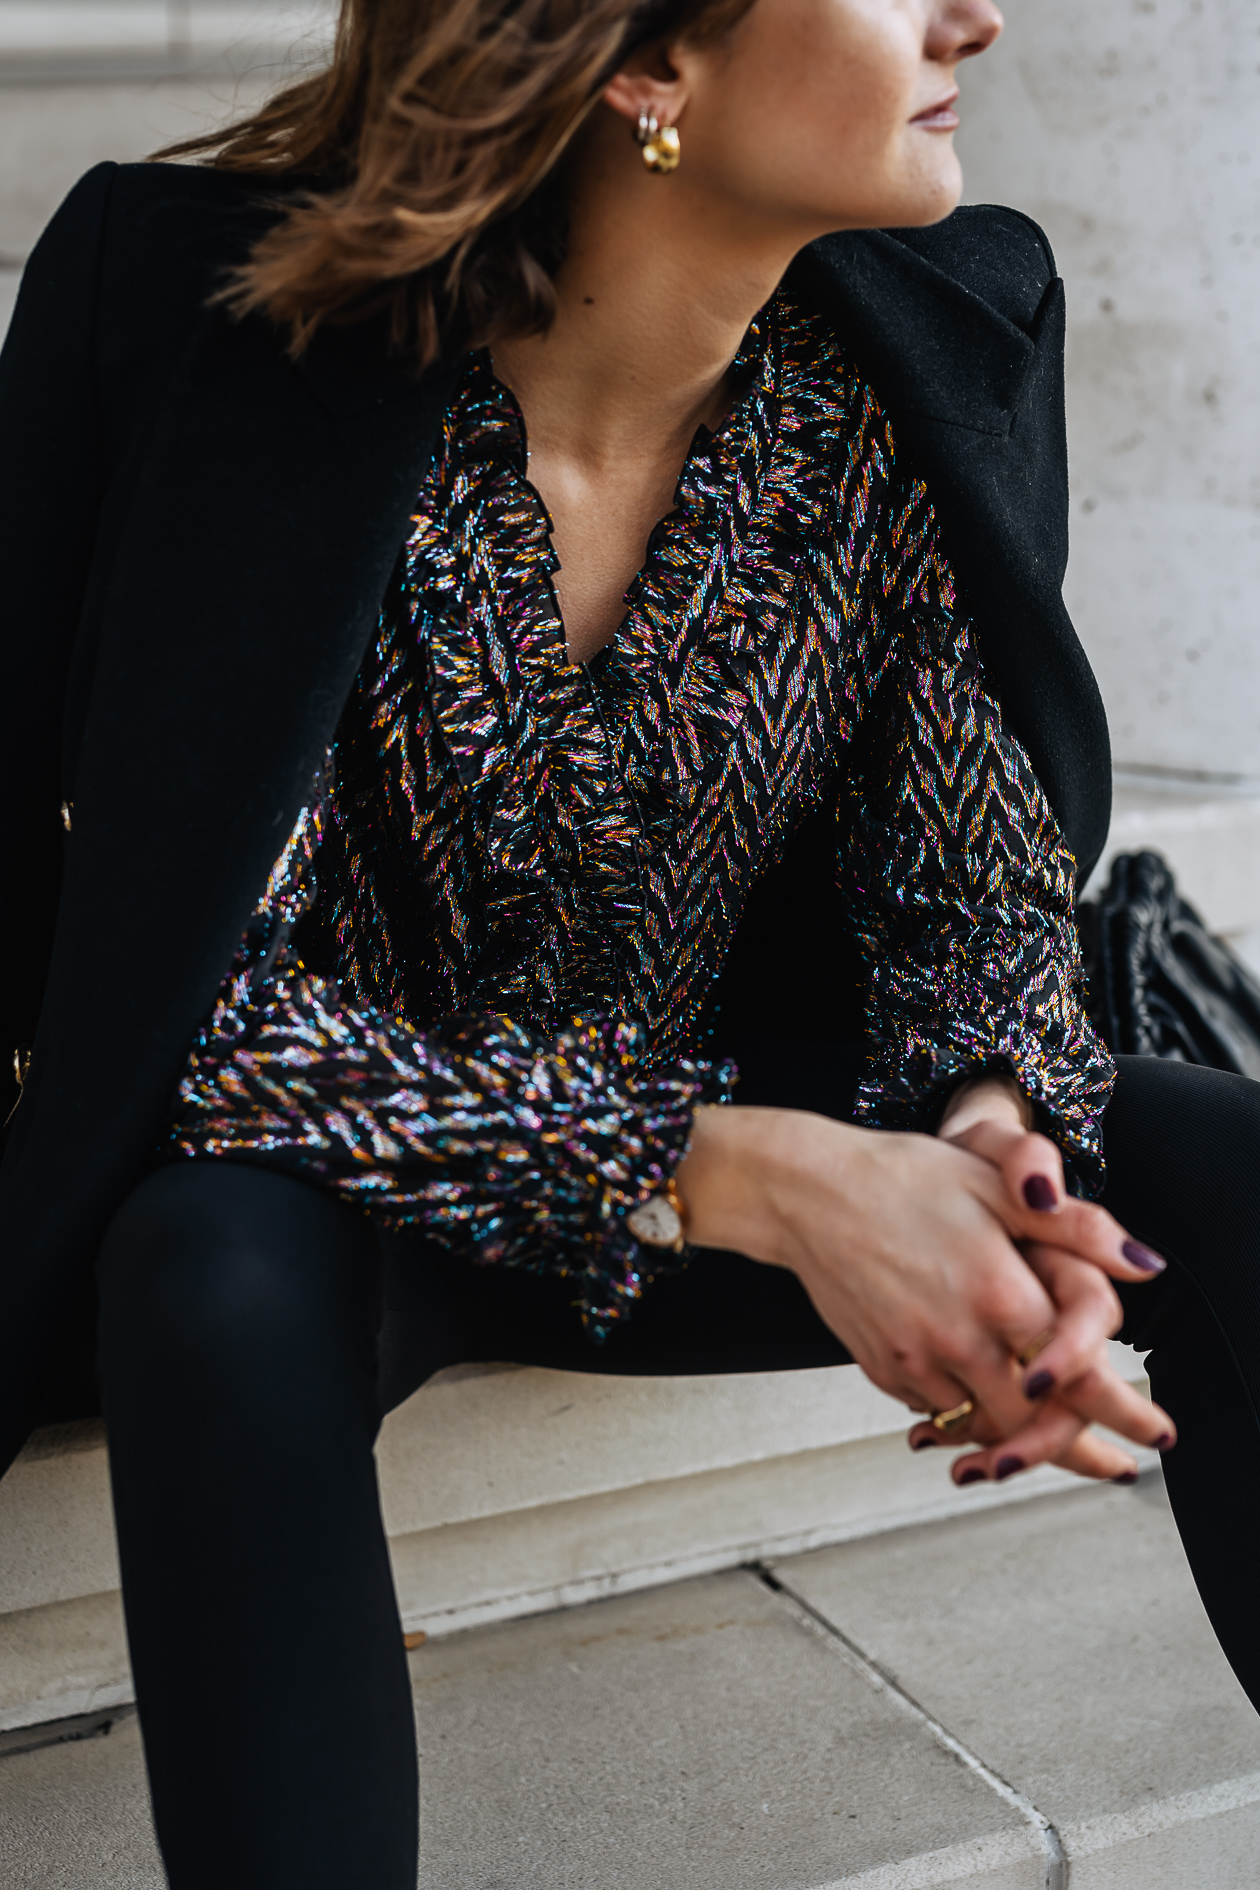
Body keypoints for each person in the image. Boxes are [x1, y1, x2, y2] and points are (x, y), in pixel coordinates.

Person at [1, 0, 1256, 1881]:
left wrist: (999, 1143)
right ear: (642, 64)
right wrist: (734, 1169)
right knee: (205, 1268)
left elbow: (972, 878)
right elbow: (171, 1010)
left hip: (743, 1111)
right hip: (353, 1179)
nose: (972, 14)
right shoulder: (196, 324)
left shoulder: (921, 337)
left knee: (1219, 1155)